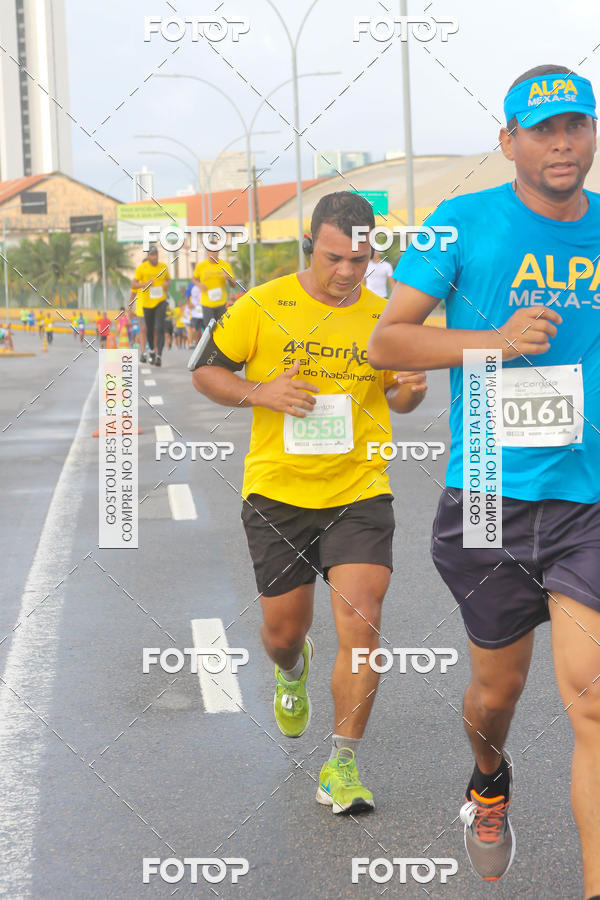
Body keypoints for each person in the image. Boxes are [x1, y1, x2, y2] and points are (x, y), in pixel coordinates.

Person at [368, 65, 600, 895]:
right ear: (509, 142)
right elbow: (387, 344)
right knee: (496, 692)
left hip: (589, 501)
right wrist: (493, 340)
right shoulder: (456, 225)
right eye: (542, 129)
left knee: (591, 705)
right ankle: (488, 782)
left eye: (575, 125)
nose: (562, 141)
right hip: (490, 496)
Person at [192, 192, 427, 815]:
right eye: (333, 258)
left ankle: (342, 765)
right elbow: (206, 372)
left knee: (363, 621)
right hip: (278, 492)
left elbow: (401, 404)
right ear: (310, 247)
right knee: (283, 633)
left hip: (359, 490)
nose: (346, 272)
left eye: (358, 258)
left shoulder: (386, 318)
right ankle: (291, 670)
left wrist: (407, 389)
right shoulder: (263, 304)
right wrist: (260, 391)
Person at [131, 245, 170, 367]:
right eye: (152, 255)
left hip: (158, 302)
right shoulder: (141, 271)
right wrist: (130, 308)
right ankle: (144, 352)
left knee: (157, 330)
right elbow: (133, 289)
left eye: (156, 254)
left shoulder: (163, 267)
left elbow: (168, 280)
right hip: (144, 305)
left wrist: (165, 285)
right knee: (144, 329)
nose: (155, 257)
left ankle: (157, 354)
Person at [192, 245, 234, 326]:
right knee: (209, 330)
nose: (213, 253)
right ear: (207, 252)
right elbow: (193, 279)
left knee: (221, 330)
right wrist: (199, 284)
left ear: (218, 252)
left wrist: (228, 278)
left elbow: (233, 284)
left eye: (215, 251)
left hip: (221, 304)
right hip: (207, 304)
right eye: (211, 251)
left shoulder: (225, 266)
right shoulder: (201, 266)